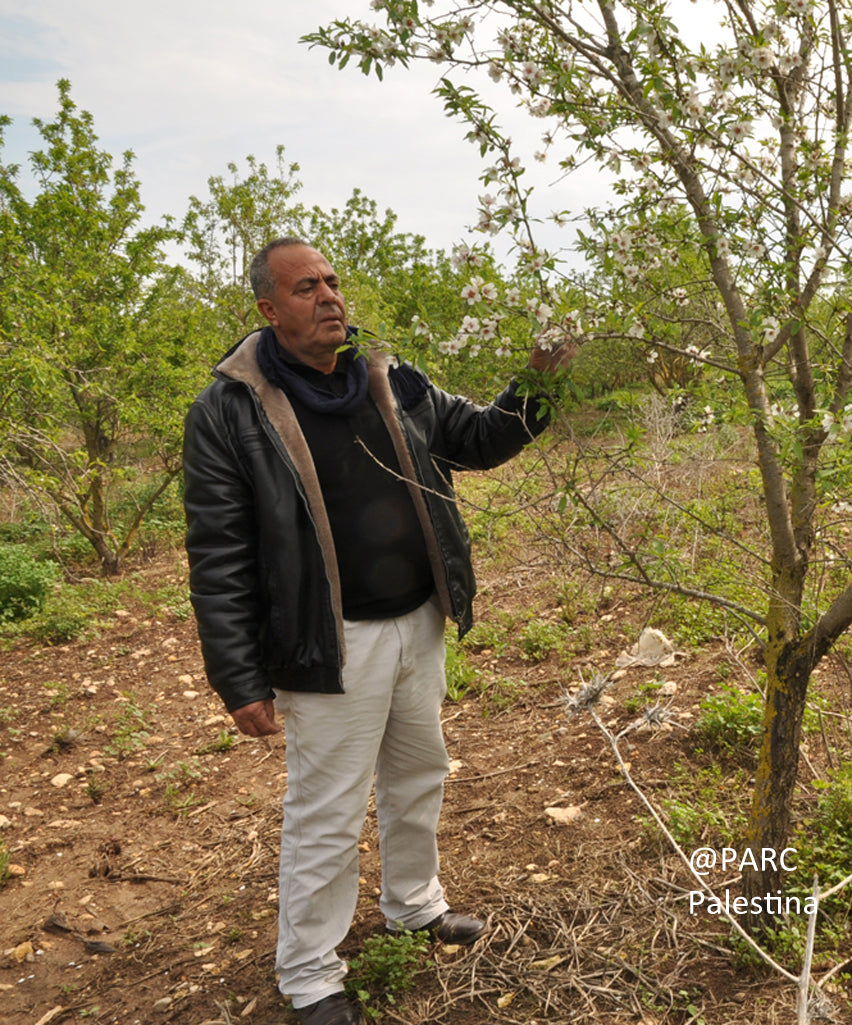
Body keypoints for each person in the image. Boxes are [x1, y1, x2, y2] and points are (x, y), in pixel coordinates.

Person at [183, 238, 574, 1025]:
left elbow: (480, 438)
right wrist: (236, 675)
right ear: (268, 309)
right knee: (326, 810)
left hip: (416, 620)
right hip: (326, 643)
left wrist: (538, 380)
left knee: (417, 772)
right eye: (306, 287)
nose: (329, 297)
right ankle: (309, 976)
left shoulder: (388, 377)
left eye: (332, 281)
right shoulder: (229, 408)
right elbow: (218, 552)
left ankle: (414, 904)